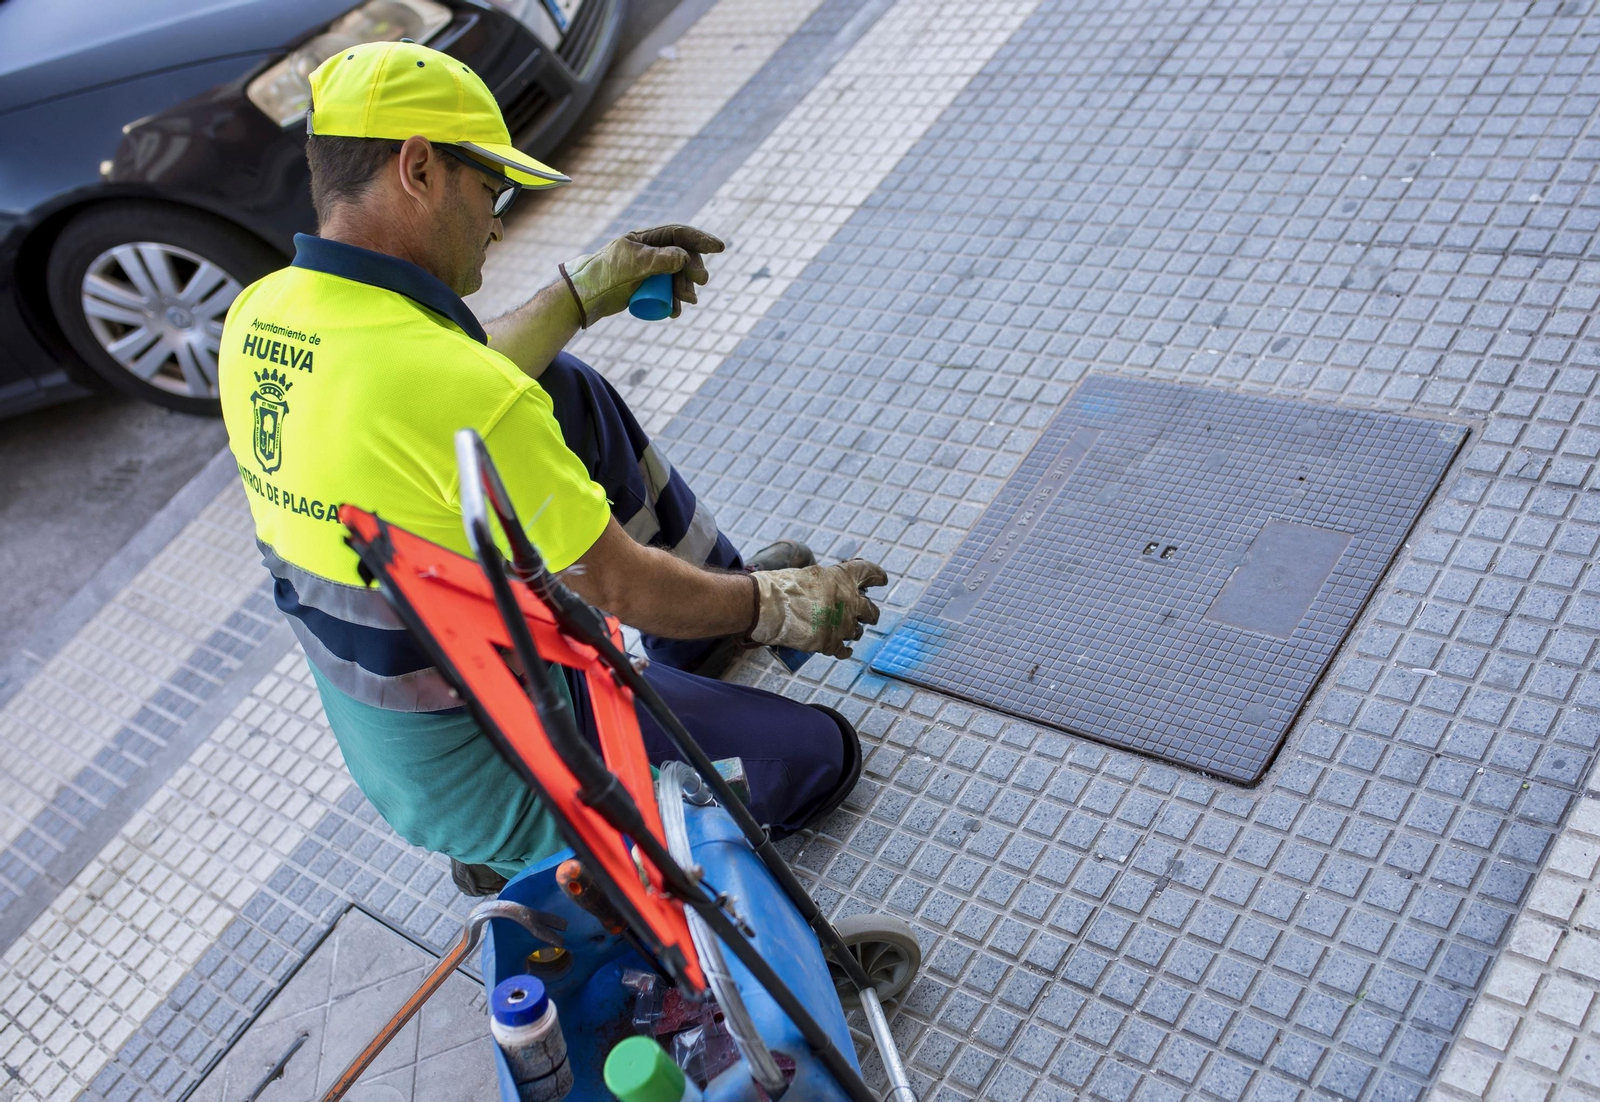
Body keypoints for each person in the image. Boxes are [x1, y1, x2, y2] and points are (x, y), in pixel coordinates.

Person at [216, 40, 888, 894]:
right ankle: (543, 850)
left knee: (560, 385)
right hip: (510, 755)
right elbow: (618, 582)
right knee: (819, 756)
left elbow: (452, 385)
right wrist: (777, 605)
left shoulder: (263, 313)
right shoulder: (460, 391)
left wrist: (581, 294)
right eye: (490, 189)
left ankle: (698, 629)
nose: (497, 222)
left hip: (404, 737)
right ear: (418, 169)